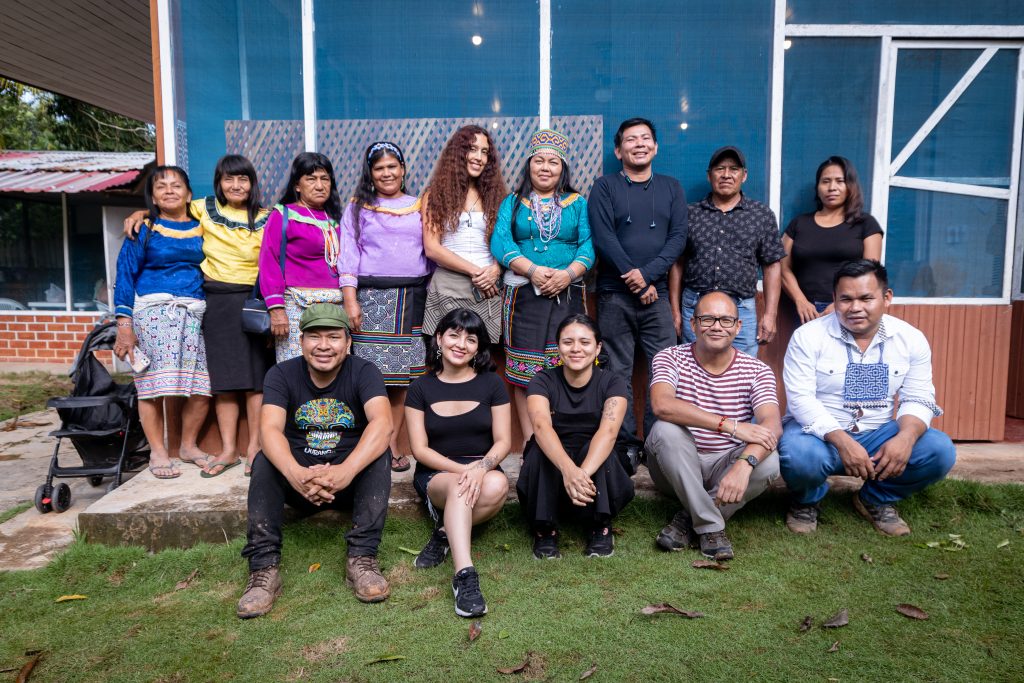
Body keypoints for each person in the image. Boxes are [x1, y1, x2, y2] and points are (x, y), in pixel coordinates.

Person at [778, 259, 956, 536]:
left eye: (866, 298)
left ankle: (875, 498)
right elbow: (801, 400)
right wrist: (843, 442)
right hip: (819, 437)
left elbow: (918, 396)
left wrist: (905, 438)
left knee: (939, 450)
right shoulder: (808, 337)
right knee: (799, 455)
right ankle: (806, 501)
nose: (855, 307)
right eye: (846, 299)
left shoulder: (910, 339)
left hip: (877, 435)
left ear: (887, 298)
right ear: (835, 299)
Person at [237, 303, 393, 618]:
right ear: (301, 341)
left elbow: (383, 423)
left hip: (349, 482)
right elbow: (269, 430)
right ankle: (263, 567)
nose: (324, 346)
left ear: (347, 342)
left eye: (333, 337)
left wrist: (346, 470)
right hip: (298, 480)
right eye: (314, 336)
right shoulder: (281, 374)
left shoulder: (364, 371)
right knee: (264, 459)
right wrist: (295, 472)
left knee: (379, 455)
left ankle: (362, 558)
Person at [124, 154, 272, 476]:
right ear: (218, 183)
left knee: (256, 380)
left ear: (252, 183)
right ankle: (228, 449)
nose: (236, 185)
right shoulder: (204, 208)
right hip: (214, 301)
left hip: (252, 301)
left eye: (243, 179)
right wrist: (140, 212)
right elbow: (168, 206)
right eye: (229, 179)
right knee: (223, 381)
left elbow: (274, 261)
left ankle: (255, 448)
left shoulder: (268, 217)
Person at [644, 292, 782, 561]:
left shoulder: (757, 370)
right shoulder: (669, 357)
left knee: (769, 462)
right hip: (677, 466)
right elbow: (662, 405)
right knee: (665, 430)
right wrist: (730, 426)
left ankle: (687, 519)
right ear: (693, 324)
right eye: (707, 319)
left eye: (726, 320)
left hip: (726, 465)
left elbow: (772, 425)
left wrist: (743, 465)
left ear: (738, 327)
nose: (717, 326)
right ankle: (711, 527)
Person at [490, 128, 594, 444]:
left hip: (568, 295)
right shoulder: (513, 202)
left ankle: (560, 442)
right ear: (529, 165)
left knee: (566, 366)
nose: (545, 168)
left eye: (553, 162)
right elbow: (501, 242)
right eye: (539, 161)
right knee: (525, 373)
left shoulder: (577, 203)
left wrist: (567, 275)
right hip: (523, 295)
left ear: (563, 168)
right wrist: (533, 271)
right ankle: (532, 445)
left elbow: (588, 245)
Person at [405, 308, 511, 618]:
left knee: (498, 484)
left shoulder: (492, 384)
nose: (461, 344)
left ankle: (443, 533)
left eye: (471, 339)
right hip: (437, 473)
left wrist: (482, 468)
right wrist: (468, 471)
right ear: (439, 338)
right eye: (454, 335)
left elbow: (503, 441)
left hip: (483, 469)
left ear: (479, 348)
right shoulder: (420, 387)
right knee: (460, 487)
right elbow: (419, 450)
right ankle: (464, 575)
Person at [588, 117, 688, 439]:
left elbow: (678, 239)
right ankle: (626, 444)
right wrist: (637, 281)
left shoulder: (671, 187)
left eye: (646, 138)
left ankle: (659, 442)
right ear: (619, 151)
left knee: (664, 371)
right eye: (631, 139)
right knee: (616, 370)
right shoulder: (604, 187)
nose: (639, 144)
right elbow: (604, 238)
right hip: (613, 295)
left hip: (657, 296)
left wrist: (646, 277)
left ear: (655, 147)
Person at [113, 166, 212, 479]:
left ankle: (187, 445)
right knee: (152, 387)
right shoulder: (144, 228)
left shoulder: (203, 227)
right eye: (161, 186)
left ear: (189, 193)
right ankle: (157, 451)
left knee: (201, 387)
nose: (169, 191)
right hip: (153, 314)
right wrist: (124, 325)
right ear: (153, 197)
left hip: (192, 315)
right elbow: (125, 274)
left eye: (176, 185)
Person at [342, 141, 430, 473]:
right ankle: (372, 443)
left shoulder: (419, 205)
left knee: (403, 379)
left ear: (403, 169)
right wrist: (350, 299)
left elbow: (431, 252)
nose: (387, 173)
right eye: (379, 168)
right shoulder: (357, 207)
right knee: (372, 377)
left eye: (392, 166)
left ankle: (389, 443)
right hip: (371, 301)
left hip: (412, 299)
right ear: (370, 173)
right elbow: (348, 254)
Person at [518, 314, 633, 559]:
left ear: (598, 347)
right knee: (541, 448)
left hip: (595, 476)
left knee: (599, 447)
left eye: (585, 342)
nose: (576, 349)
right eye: (568, 342)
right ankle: (545, 528)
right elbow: (541, 426)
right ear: (558, 347)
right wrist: (568, 471)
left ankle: (600, 525)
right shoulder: (542, 380)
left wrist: (580, 476)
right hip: (554, 472)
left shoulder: (613, 382)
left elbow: (609, 432)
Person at [669, 146, 785, 357]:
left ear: (744, 175)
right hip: (695, 308)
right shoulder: (690, 213)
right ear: (709, 175)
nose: (726, 174)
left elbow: (772, 266)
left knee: (742, 370)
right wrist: (675, 311)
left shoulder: (761, 215)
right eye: (720, 169)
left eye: (733, 169)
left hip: (742, 311)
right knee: (694, 368)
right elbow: (677, 263)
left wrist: (770, 315)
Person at [259, 152, 355, 363]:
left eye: (325, 179)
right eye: (311, 179)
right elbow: (269, 261)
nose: (319, 186)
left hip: (335, 306)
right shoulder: (283, 215)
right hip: (296, 306)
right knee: (295, 369)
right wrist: (276, 309)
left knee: (333, 366)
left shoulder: (337, 219)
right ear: (297, 185)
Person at [422, 125, 507, 345]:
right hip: (449, 287)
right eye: (472, 149)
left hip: (487, 290)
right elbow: (432, 248)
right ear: (458, 153)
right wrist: (478, 273)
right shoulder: (436, 194)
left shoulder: (496, 196)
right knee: (443, 353)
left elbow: (507, 243)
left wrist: (496, 270)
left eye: (484, 152)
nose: (479, 157)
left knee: (481, 355)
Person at [780, 156, 883, 325]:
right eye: (825, 181)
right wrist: (800, 300)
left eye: (839, 181)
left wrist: (838, 304)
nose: (832, 187)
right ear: (818, 187)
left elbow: (870, 273)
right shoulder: (799, 223)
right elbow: (782, 267)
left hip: (849, 310)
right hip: (806, 312)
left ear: (850, 186)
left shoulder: (866, 224)